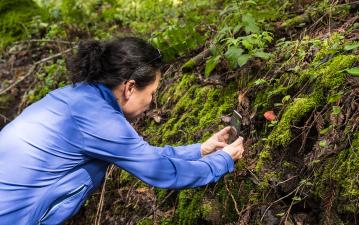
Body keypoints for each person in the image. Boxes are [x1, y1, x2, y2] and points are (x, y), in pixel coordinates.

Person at [0, 37, 245, 225]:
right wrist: (221, 162)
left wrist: (201, 150)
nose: (152, 102)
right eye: (151, 93)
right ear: (129, 88)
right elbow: (161, 173)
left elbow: (144, 155)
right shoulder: (99, 119)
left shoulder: (76, 97)